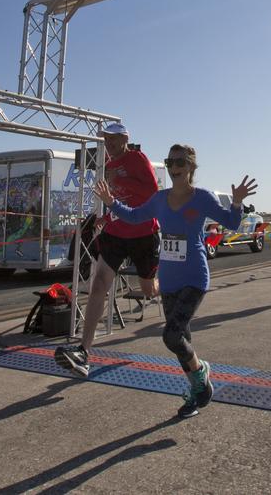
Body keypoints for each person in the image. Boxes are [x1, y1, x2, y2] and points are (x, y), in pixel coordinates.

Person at [91, 143, 256, 418]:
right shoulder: (159, 198)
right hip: (168, 280)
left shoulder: (201, 198)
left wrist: (237, 202)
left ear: (191, 166)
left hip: (194, 277)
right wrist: (111, 204)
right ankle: (198, 392)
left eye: (180, 162)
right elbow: (133, 216)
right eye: (170, 163)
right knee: (182, 340)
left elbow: (232, 223)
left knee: (172, 335)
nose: (174, 168)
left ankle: (201, 370)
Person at [54, 122, 159, 379]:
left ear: (124, 138)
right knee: (98, 284)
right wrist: (106, 217)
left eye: (113, 139)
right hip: (117, 233)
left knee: (148, 290)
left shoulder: (137, 159)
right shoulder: (109, 166)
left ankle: (164, 286)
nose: (108, 144)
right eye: (105, 140)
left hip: (144, 233)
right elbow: (120, 200)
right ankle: (83, 351)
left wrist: (121, 182)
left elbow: (151, 192)